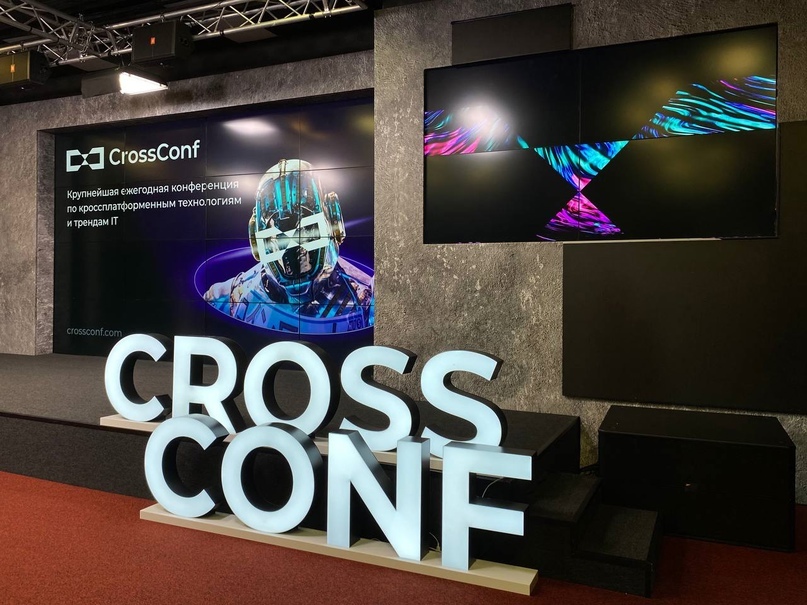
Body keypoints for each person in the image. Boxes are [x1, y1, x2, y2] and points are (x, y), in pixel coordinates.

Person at [204, 159, 373, 334]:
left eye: (306, 232)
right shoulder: (226, 298)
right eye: (280, 238)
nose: (294, 251)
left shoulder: (367, 298)